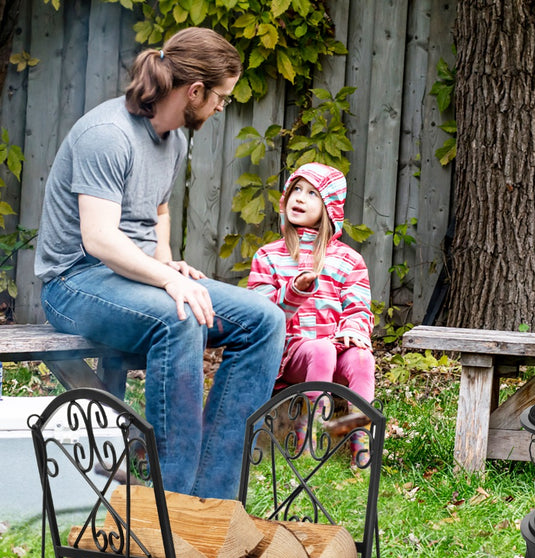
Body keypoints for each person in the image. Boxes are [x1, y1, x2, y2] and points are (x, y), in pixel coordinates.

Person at [34, 28, 285, 500]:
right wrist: (167, 281)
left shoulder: (172, 141)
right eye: (221, 99)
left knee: (265, 320)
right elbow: (101, 239)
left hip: (134, 277)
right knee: (180, 317)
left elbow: (159, 211)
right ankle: (174, 501)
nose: (219, 108)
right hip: (74, 282)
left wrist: (167, 264)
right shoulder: (107, 135)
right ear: (194, 91)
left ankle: (213, 499)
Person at [247, 163, 375, 459]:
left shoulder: (348, 260)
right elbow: (261, 316)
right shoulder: (269, 256)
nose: (300, 198)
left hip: (335, 347)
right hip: (291, 354)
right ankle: (311, 435)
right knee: (321, 350)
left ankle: (359, 437)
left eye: (312, 193)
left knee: (362, 359)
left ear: (329, 206)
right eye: (296, 190)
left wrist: (353, 331)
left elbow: (358, 307)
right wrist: (294, 290)